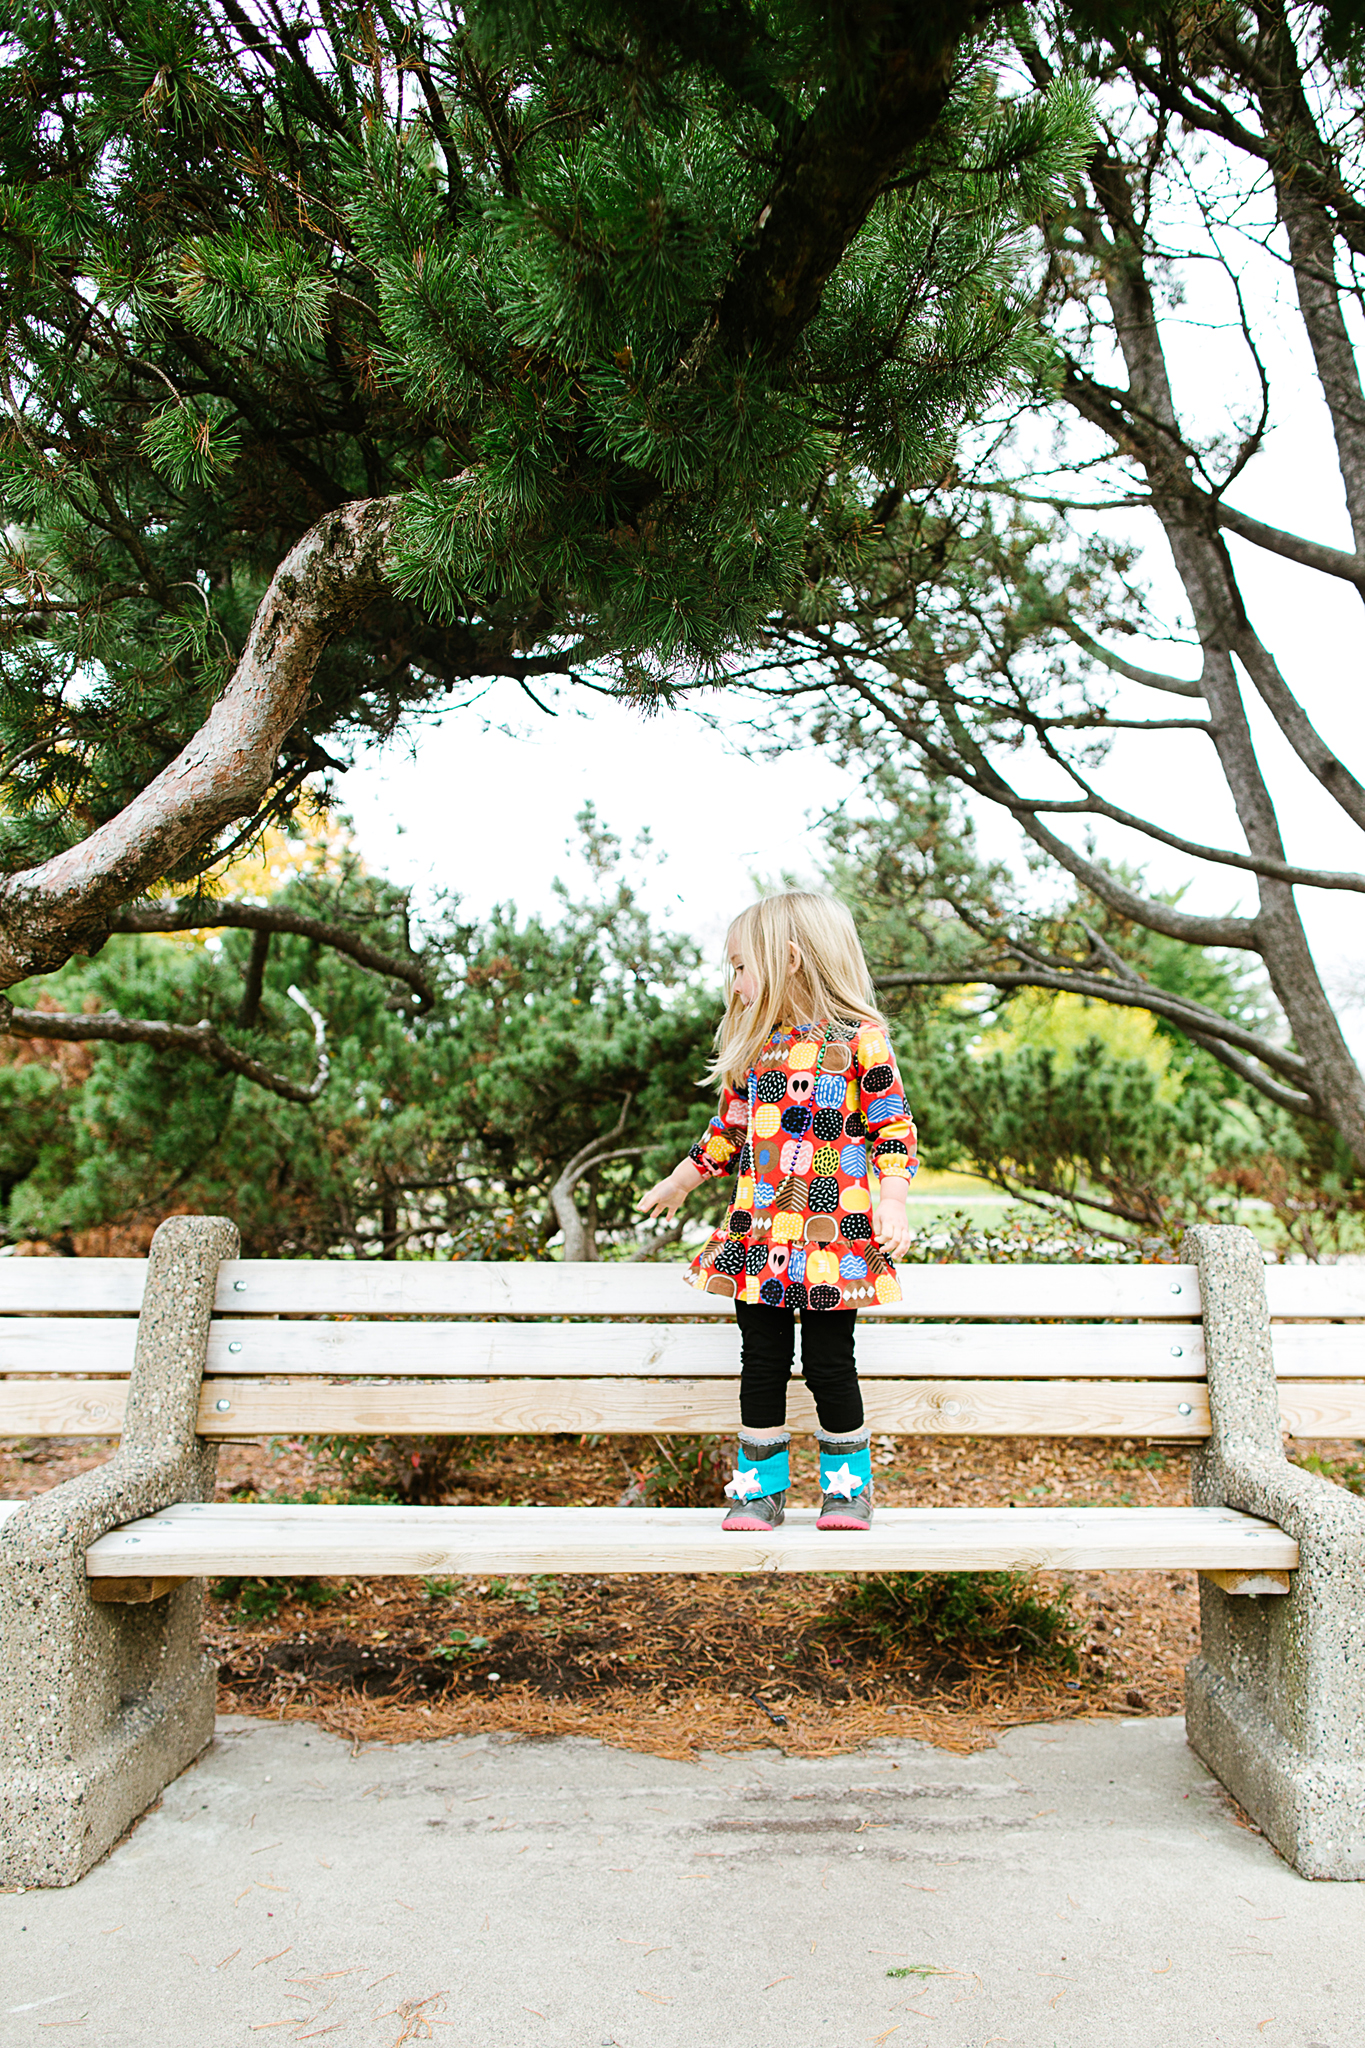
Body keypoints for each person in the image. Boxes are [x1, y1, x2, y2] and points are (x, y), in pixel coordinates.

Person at [637, 891, 916, 1531]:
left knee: (828, 1363)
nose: (733, 982)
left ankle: (848, 1491)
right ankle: (758, 1493)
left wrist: (893, 1199)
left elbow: (890, 1124)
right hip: (758, 1236)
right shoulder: (756, 1046)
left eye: (740, 966)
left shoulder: (858, 1042)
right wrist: (681, 1180)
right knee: (760, 1361)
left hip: (830, 1238)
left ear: (789, 959)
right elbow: (728, 1127)